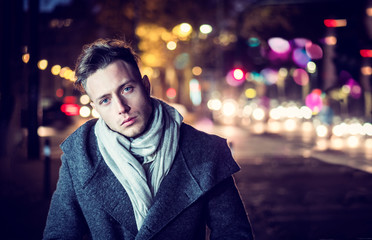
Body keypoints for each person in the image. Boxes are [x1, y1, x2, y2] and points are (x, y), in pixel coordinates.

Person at [43, 38, 254, 240]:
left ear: (145, 86)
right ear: (96, 107)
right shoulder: (80, 156)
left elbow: (233, 234)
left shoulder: (205, 150)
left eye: (127, 89)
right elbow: (59, 234)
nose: (121, 108)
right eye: (105, 100)